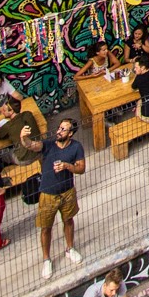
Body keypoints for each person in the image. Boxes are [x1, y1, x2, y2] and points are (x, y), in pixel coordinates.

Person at [37, 116, 87, 278]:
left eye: (63, 129)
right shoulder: (49, 144)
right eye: (59, 128)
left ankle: (70, 248)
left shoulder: (76, 147)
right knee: (46, 227)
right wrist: (24, 138)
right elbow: (32, 145)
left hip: (67, 191)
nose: (59, 131)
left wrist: (67, 166)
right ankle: (46, 259)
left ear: (70, 133)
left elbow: (81, 169)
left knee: (68, 220)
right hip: (48, 193)